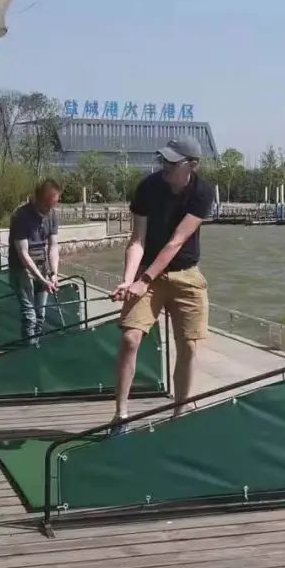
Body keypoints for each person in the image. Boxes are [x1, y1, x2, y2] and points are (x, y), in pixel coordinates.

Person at [110, 136, 214, 429]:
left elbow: (176, 242)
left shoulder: (202, 192)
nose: (165, 166)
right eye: (163, 160)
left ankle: (179, 415)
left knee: (189, 346)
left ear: (192, 165)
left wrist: (143, 280)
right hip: (147, 270)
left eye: (172, 162)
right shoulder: (147, 187)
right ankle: (120, 415)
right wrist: (129, 281)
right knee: (130, 338)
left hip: (186, 273)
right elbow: (137, 241)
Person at [8, 178, 62, 343]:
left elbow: (53, 246)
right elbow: (23, 254)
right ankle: (28, 352)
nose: (50, 208)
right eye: (48, 204)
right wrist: (41, 279)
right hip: (22, 269)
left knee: (40, 316)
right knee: (30, 317)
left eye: (54, 204)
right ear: (38, 198)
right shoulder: (21, 216)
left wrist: (54, 273)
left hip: (41, 266)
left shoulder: (52, 214)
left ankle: (34, 348)